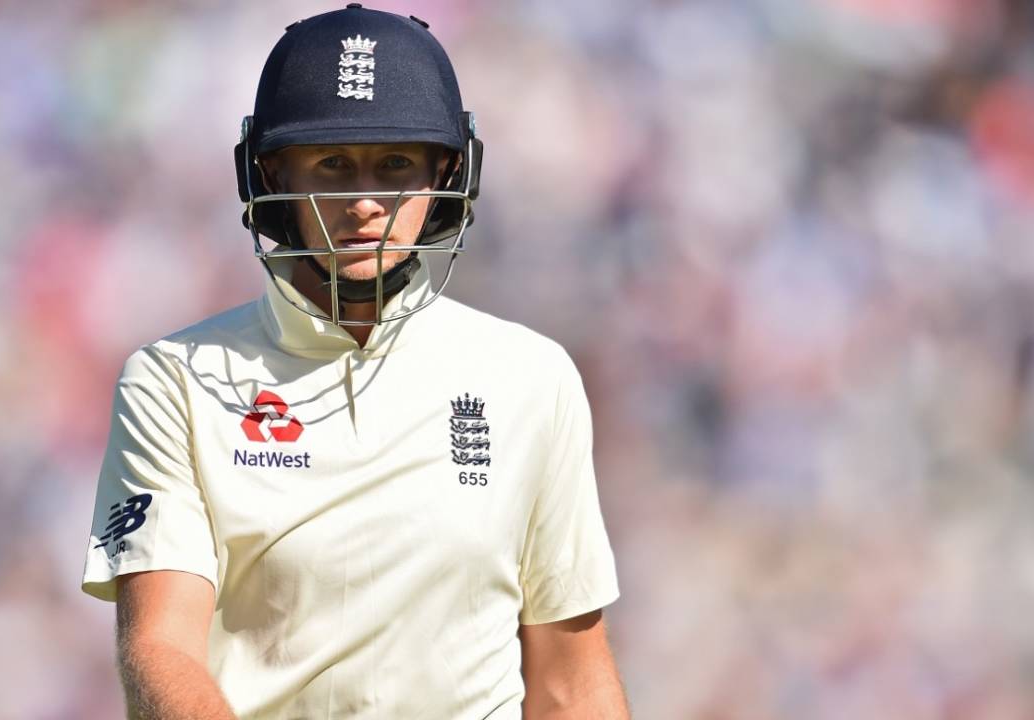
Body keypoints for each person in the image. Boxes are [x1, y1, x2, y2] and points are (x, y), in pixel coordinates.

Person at [81, 5, 629, 718]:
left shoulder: (532, 377)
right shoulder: (177, 379)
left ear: (446, 174)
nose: (366, 201)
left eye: (395, 163)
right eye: (333, 164)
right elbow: (161, 646)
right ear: (270, 173)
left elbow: (570, 682)